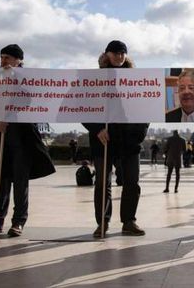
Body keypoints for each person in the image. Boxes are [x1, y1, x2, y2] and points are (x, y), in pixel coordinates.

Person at [0, 44, 56, 237]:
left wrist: (6, 117)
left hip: (22, 141)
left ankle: (18, 221)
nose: (3, 61)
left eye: (7, 57)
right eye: (1, 57)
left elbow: (26, 100)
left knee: (19, 183)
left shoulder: (27, 80)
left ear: (19, 60)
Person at [82, 40, 148, 237]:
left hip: (130, 140)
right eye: (115, 52)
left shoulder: (136, 80)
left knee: (132, 182)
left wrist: (139, 134)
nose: (119, 56)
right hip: (104, 138)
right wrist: (97, 129)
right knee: (103, 183)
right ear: (107, 54)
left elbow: (145, 109)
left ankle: (129, 221)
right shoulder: (95, 79)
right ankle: (102, 222)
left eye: (122, 53)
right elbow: (82, 107)